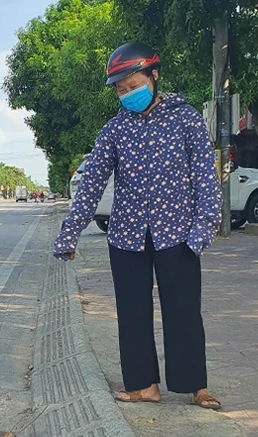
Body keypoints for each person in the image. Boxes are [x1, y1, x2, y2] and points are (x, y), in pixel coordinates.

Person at [52, 43, 223, 410]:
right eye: (121, 89)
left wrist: (202, 232)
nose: (128, 93)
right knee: (132, 312)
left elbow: (207, 179)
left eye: (133, 85)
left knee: (184, 311)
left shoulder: (186, 120)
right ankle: (144, 385)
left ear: (154, 76)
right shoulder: (115, 130)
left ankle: (196, 387)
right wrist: (70, 232)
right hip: (127, 236)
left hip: (178, 234)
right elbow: (91, 183)